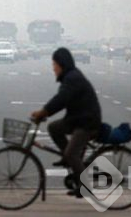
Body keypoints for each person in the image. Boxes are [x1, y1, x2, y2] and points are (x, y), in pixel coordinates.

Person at [30, 48, 102, 198]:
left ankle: (85, 186)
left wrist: (43, 112)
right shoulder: (70, 77)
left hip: (86, 122)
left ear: (62, 64)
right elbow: (61, 100)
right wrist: (46, 113)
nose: (53, 68)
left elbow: (60, 100)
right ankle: (68, 158)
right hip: (77, 119)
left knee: (72, 154)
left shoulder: (72, 78)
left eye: (54, 64)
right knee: (54, 127)